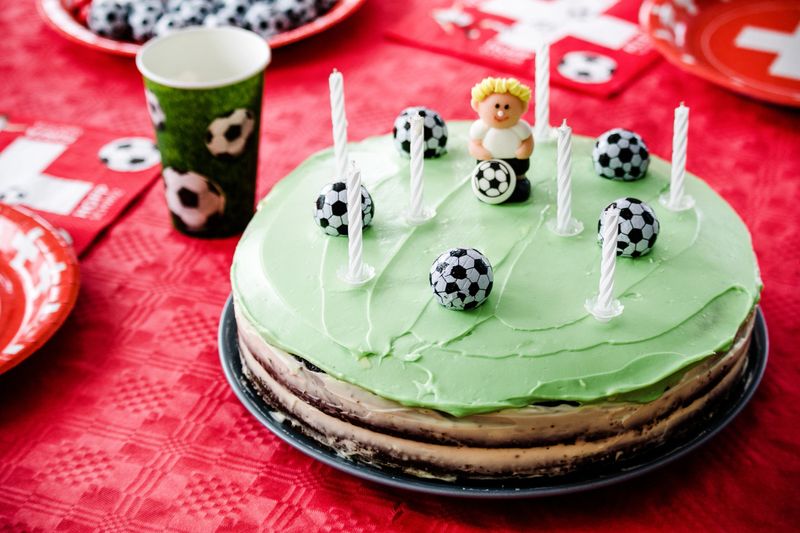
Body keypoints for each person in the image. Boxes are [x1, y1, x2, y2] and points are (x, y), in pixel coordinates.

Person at [468, 77, 533, 203]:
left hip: (515, 161)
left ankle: (519, 183)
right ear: (477, 105)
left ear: (523, 108)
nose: (501, 114)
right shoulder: (481, 128)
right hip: (489, 163)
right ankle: (485, 190)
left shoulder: (520, 128)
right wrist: (479, 151)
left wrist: (524, 150)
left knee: (518, 176)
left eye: (507, 107)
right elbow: (474, 144)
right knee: (488, 177)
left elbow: (527, 141)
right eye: (497, 106)